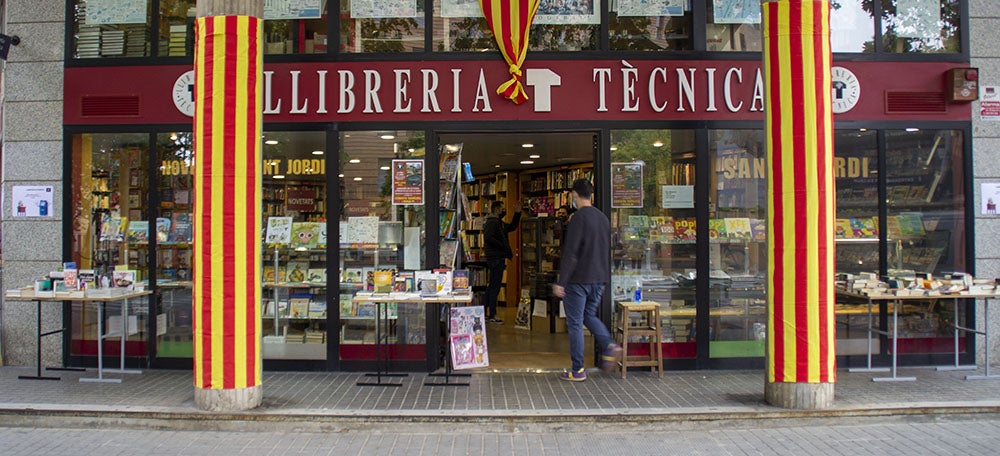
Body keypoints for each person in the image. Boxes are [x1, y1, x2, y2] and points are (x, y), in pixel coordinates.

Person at [552, 179, 621, 382]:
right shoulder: (603, 218)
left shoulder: (578, 219)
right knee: (589, 315)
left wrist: (561, 282)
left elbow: (571, 253)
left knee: (575, 324)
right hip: (599, 278)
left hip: (578, 279)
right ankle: (609, 344)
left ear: (574, 195)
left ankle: (578, 369)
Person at [483, 200, 522, 323]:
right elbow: (488, 238)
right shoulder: (493, 223)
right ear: (496, 210)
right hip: (495, 257)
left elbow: (510, 227)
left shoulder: (497, 223)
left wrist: (517, 214)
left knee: (493, 285)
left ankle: (486, 312)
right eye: (502, 209)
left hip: (496, 256)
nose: (503, 211)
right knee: (494, 286)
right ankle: (491, 314)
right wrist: (502, 246)